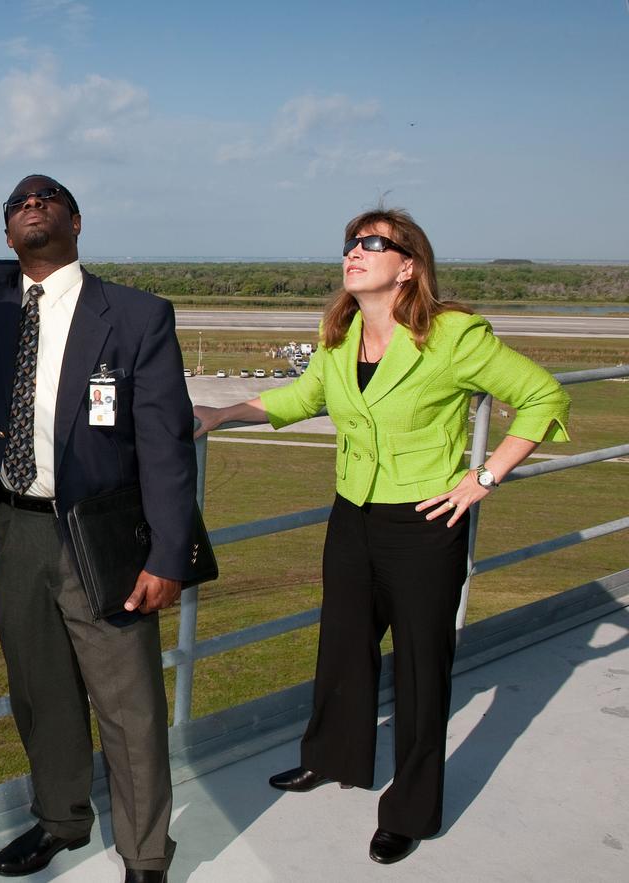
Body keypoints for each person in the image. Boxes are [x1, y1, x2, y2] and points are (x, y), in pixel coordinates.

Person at [0, 84, 196, 883]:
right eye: (20, 199)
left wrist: (168, 553)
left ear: (74, 222)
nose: (33, 203)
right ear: (7, 228)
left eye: (48, 196)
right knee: (40, 690)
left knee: (127, 707)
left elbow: (164, 447)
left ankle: (146, 856)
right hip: (15, 528)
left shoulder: (135, 316)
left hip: (101, 532)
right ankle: (60, 820)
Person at [194, 207, 569, 865]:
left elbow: (542, 395)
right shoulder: (339, 334)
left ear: (409, 265)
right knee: (343, 646)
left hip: (425, 524)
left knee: (423, 669)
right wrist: (222, 412)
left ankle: (410, 809)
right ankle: (329, 758)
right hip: (352, 516)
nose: (355, 251)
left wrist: (483, 476)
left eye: (373, 242)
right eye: (350, 242)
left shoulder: (451, 335)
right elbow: (304, 395)